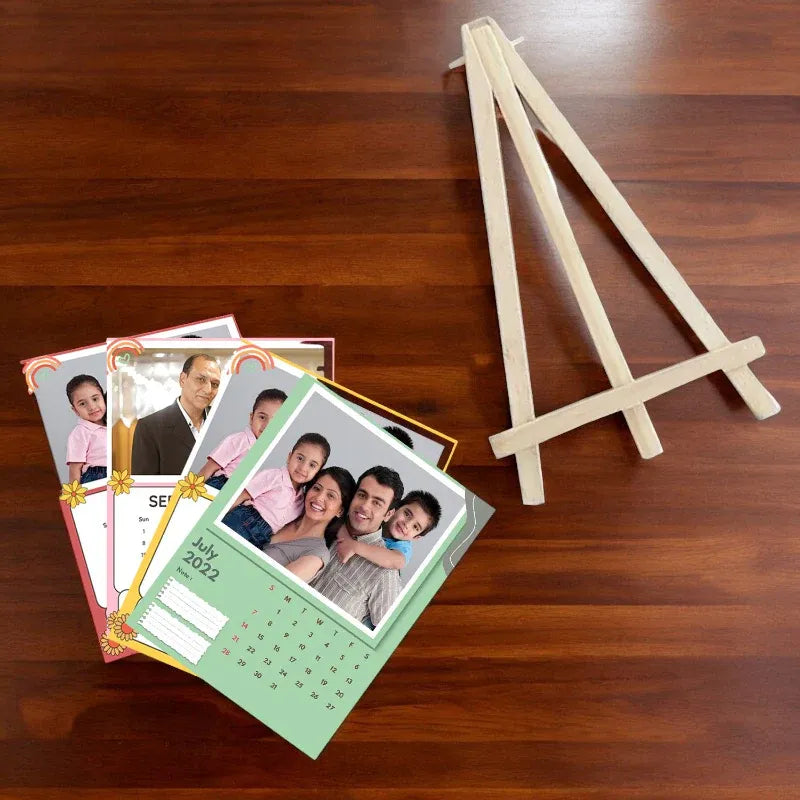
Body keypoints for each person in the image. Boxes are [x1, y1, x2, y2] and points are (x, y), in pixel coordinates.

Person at [310, 466, 405, 627]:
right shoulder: (322, 518)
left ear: (388, 514)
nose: (365, 506)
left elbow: (389, 631)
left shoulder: (384, 573)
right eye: (362, 495)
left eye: (377, 503)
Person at [221, 432, 330, 550]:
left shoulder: (302, 501)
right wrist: (217, 517)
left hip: (262, 539)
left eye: (312, 465)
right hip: (243, 522)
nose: (303, 467)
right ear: (289, 457)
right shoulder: (274, 476)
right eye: (300, 458)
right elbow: (241, 496)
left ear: (318, 471)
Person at [261, 467, 356, 583]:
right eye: (317, 488)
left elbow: (272, 587)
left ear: (340, 511)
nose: (319, 497)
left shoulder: (316, 554)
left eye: (331, 496)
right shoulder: (283, 513)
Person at [131, 354, 221, 475]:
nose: (208, 390)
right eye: (201, 379)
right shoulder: (149, 428)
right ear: (183, 379)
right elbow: (146, 485)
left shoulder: (222, 420)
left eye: (215, 384)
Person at [198, 388, 287, 490]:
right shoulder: (238, 440)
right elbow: (208, 469)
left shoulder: (263, 452)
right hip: (221, 485)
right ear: (251, 418)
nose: (267, 425)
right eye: (262, 417)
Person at [335, 489, 442, 571]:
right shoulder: (378, 515)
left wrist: (355, 546)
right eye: (407, 514)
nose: (407, 524)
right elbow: (343, 521)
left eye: (415, 527)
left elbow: (396, 561)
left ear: (416, 537)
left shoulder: (402, 546)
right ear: (396, 507)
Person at [65, 374, 107, 484]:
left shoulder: (112, 424)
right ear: (75, 410)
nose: (92, 407)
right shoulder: (80, 432)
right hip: (98, 477)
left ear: (103, 398)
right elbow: (75, 469)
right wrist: (73, 493)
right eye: (83, 403)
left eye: (95, 399)